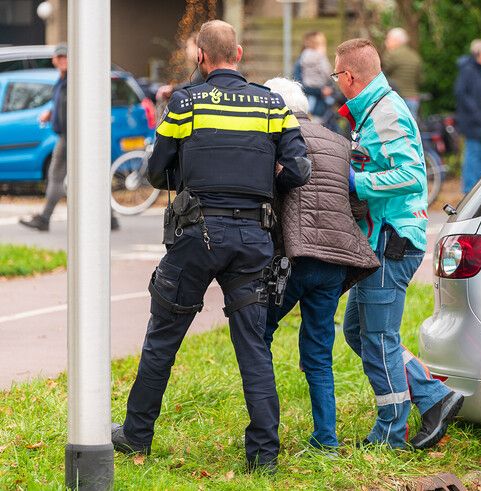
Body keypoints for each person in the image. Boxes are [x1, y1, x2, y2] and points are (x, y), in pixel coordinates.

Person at [110, 20, 311, 473]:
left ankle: (137, 435)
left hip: (195, 237)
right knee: (253, 346)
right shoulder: (272, 104)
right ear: (237, 54)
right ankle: (264, 456)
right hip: (253, 239)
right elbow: (300, 170)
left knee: (162, 337)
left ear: (201, 56)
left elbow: (156, 172)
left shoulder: (186, 102)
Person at [333, 38, 464, 450]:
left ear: (349, 77)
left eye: (337, 75)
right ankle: (435, 397)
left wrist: (359, 182)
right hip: (384, 240)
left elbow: (411, 176)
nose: (336, 82)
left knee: (378, 339)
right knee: (358, 332)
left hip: (392, 242)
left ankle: (391, 432)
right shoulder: (374, 109)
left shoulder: (385, 112)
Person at [262, 77, 380, 450]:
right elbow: (359, 204)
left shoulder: (274, 141)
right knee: (318, 352)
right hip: (335, 262)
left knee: (257, 335)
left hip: (294, 259)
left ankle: (265, 434)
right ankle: (326, 438)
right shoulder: (339, 141)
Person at [19, 44, 120, 232]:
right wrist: (50, 112)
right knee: (88, 176)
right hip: (70, 135)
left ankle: (45, 218)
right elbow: (64, 104)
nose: (64, 60)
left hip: (72, 136)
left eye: (67, 56)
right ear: (54, 60)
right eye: (60, 57)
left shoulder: (76, 80)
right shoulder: (63, 80)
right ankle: (110, 218)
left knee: (56, 176)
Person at [454, 39, 481, 194]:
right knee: (473, 157)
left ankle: (477, 191)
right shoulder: (468, 70)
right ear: (480, 53)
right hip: (473, 122)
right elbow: (461, 93)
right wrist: (477, 113)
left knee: (480, 156)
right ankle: (469, 192)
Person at [382, 27, 422, 119]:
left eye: (388, 39)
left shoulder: (391, 55)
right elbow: (420, 79)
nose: (386, 42)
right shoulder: (414, 56)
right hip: (413, 98)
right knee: (411, 129)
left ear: (396, 40)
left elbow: (382, 75)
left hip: (396, 99)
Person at [300, 31, 333, 120]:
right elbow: (327, 71)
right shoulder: (320, 56)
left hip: (309, 86)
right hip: (320, 89)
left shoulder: (304, 56)